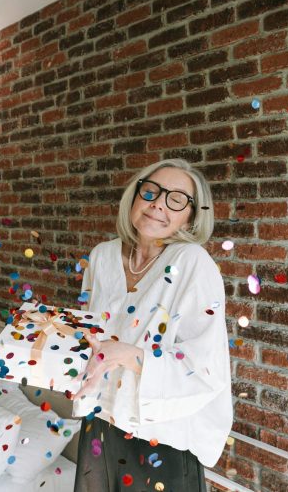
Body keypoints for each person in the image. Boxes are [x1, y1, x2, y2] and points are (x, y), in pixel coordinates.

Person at [70, 158, 232, 491]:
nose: (158, 204)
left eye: (176, 199)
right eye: (151, 192)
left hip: (161, 434)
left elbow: (206, 366)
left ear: (191, 214)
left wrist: (130, 355)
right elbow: (90, 330)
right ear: (134, 196)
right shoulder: (102, 256)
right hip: (100, 421)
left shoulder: (193, 264)